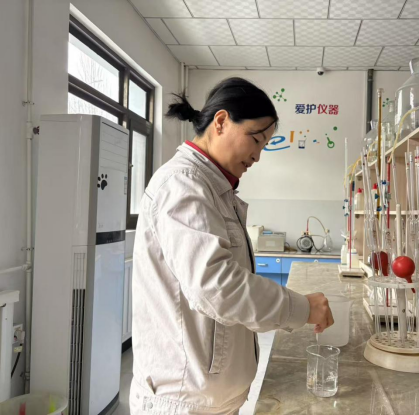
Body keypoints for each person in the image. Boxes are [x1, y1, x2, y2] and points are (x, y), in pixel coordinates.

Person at [130, 77, 334, 415]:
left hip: (209, 396)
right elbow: (217, 287)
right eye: (256, 139)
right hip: (184, 401)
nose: (257, 156)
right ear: (221, 121)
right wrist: (301, 308)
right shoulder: (183, 184)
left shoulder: (213, 188)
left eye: (265, 145)